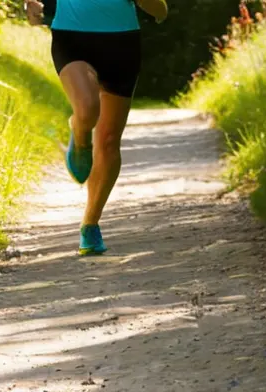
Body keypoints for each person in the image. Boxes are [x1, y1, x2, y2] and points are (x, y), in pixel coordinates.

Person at [24, 0, 168, 256]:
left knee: (110, 139)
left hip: (122, 43)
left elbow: (160, 10)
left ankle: (90, 223)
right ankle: (80, 135)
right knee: (88, 108)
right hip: (72, 37)